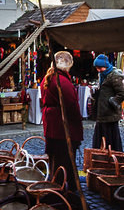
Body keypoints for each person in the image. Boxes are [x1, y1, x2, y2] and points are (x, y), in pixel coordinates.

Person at [41, 51, 83, 192]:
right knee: (63, 160)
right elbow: (72, 107)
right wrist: (77, 126)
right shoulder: (61, 81)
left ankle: (62, 185)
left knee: (57, 159)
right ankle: (61, 190)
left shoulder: (49, 78)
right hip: (62, 128)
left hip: (53, 125)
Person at [92, 54, 124, 152]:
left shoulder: (114, 75)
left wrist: (113, 101)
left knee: (111, 140)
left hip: (110, 113)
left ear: (105, 66)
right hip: (102, 113)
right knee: (100, 139)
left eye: (100, 67)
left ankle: (113, 161)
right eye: (97, 68)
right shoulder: (102, 75)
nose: (98, 70)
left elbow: (122, 93)